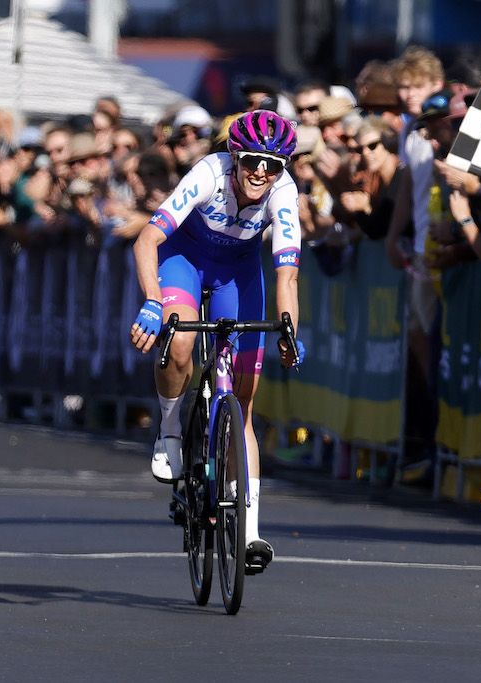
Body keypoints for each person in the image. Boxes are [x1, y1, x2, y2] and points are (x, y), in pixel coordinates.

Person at [129, 110, 304, 571]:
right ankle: (169, 429)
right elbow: (146, 239)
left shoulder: (284, 194)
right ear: (234, 156)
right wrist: (151, 300)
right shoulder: (209, 172)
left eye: (273, 165)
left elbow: (287, 274)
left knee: (242, 404)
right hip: (184, 259)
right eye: (251, 161)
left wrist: (288, 328)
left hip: (238, 273)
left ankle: (249, 534)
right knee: (181, 342)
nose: (261, 172)